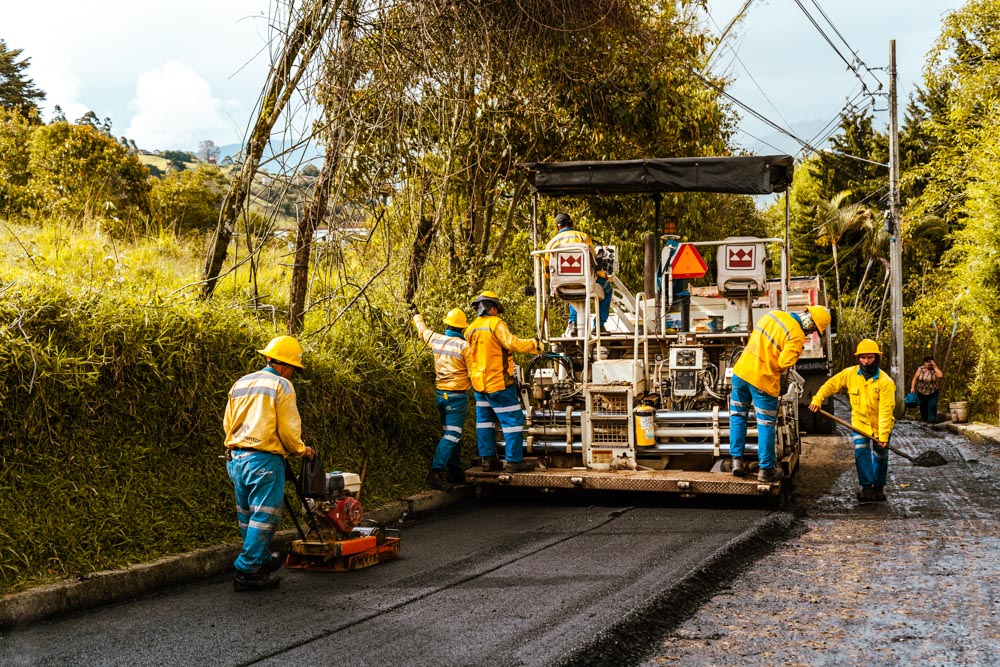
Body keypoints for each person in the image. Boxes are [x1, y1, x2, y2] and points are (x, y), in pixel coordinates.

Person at [224, 335, 314, 592]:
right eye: (293, 370)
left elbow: (228, 424)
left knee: (247, 516)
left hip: (236, 458)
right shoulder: (282, 386)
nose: (292, 374)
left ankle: (261, 559)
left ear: (268, 358)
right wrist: (301, 450)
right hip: (264, 458)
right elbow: (287, 429)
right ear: (285, 366)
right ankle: (247, 570)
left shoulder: (241, 382)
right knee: (265, 517)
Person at [729, 305, 832, 482]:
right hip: (763, 381)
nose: (810, 333)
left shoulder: (773, 315)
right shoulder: (797, 336)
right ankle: (766, 470)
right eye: (813, 329)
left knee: (738, 417)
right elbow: (784, 363)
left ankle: (736, 461)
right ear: (810, 324)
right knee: (766, 425)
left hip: (740, 374)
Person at [809, 339, 896, 503]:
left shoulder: (886, 382)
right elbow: (831, 385)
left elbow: (886, 410)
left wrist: (883, 436)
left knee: (880, 456)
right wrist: (818, 399)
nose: (866, 361)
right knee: (861, 452)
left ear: (876, 358)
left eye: (870, 358)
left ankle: (878, 488)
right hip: (860, 423)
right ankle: (867, 487)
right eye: (863, 357)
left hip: (881, 426)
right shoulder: (850, 374)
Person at [465, 291, 541, 472]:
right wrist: (535, 345)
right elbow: (511, 343)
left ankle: (488, 461)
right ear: (492, 308)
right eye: (496, 309)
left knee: (484, 421)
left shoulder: (470, 329)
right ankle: (514, 462)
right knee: (513, 421)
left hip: (479, 384)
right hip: (498, 383)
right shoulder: (495, 324)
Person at [412, 306, 474, 490]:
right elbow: (473, 373)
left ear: (447, 324)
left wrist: (416, 315)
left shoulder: (436, 339)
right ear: (462, 328)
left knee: (451, 433)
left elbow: (422, 331)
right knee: (452, 435)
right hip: (457, 398)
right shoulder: (465, 346)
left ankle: (455, 470)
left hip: (441, 396)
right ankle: (436, 473)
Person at [545, 211, 613, 336]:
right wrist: (602, 275)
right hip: (585, 282)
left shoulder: (552, 242)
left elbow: (546, 268)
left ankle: (573, 323)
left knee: (572, 291)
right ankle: (599, 325)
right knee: (608, 289)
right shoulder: (583, 237)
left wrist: (553, 280)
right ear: (571, 223)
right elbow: (594, 261)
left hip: (562, 285)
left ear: (557, 227)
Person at [910, 355, 943, 423]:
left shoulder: (934, 369)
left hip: (933, 391)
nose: (928, 363)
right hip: (921, 391)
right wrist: (912, 388)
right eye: (926, 362)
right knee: (923, 407)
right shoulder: (921, 369)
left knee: (932, 405)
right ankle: (925, 421)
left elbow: (940, 375)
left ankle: (932, 421)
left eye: (929, 361)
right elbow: (915, 378)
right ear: (924, 362)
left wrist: (935, 366)